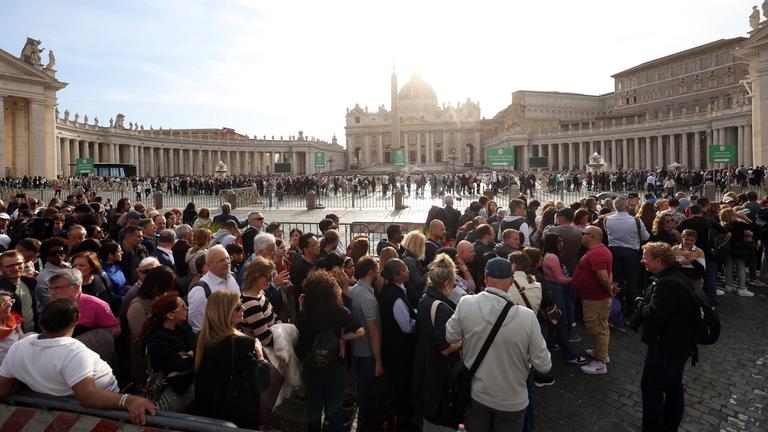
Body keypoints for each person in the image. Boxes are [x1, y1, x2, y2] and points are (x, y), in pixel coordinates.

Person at [0, 299, 156, 425]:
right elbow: (88, 396)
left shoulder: (18, 347)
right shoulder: (73, 352)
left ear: (41, 322)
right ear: (76, 320)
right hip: (97, 418)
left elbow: (3, 388)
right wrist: (128, 400)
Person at [446, 257, 551, 432]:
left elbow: (450, 336)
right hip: (512, 400)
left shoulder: (466, 303)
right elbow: (544, 365)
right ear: (511, 281)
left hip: (478, 394)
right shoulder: (527, 317)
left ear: (485, 278)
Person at [634, 242, 696, 432]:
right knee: (673, 386)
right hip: (680, 344)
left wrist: (639, 303)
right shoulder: (679, 276)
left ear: (659, 261)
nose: (642, 260)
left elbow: (653, 314)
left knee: (652, 389)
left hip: (666, 347)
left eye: (645, 257)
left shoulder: (666, 284)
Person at [296, 270, 364, 432]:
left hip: (311, 368)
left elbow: (300, 334)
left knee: (313, 410)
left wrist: (300, 306)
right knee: (335, 412)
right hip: (336, 367)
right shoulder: (341, 312)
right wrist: (343, 338)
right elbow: (360, 331)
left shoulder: (304, 315)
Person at [194, 290, 270, 429]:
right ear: (225, 313)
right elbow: (262, 381)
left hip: (207, 412)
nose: (243, 308)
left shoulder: (201, 338)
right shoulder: (241, 343)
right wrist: (259, 354)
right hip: (236, 417)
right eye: (238, 306)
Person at [413, 253, 461, 430]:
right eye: (453, 284)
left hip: (424, 363)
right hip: (437, 369)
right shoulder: (441, 307)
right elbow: (444, 348)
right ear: (447, 284)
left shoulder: (425, 298)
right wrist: (463, 341)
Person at [138, 292, 195, 412]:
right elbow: (178, 367)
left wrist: (187, 356)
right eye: (183, 306)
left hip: (183, 386)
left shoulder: (180, 329)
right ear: (170, 315)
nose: (187, 308)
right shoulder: (157, 341)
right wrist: (191, 356)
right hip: (167, 393)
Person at [572, 226, 615, 375]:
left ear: (591, 236)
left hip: (596, 299)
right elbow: (609, 273)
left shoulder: (597, 253)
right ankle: (601, 352)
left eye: (583, 234)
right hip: (594, 297)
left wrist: (608, 290)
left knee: (598, 329)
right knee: (601, 326)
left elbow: (603, 276)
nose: (581, 236)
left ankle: (600, 363)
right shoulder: (599, 251)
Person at [379, 258, 418, 422]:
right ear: (396, 276)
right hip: (398, 350)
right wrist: (420, 321)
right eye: (405, 269)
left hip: (395, 348)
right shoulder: (394, 296)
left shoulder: (394, 290)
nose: (408, 271)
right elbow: (407, 327)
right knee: (401, 383)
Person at [127, 266, 177, 384]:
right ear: (156, 287)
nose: (166, 292)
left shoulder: (160, 298)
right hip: (144, 357)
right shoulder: (137, 306)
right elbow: (139, 336)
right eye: (165, 288)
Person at [541, 234, 586, 365]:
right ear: (553, 243)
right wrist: (575, 279)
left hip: (556, 288)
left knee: (554, 320)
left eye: (562, 241)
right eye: (559, 241)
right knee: (561, 320)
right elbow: (560, 279)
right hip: (556, 289)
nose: (562, 243)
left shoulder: (550, 255)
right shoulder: (552, 257)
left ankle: (550, 343)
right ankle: (569, 353)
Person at [348, 256, 382, 421]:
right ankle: (364, 421)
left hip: (358, 348)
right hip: (367, 351)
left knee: (361, 388)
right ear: (370, 272)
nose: (378, 270)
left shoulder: (354, 289)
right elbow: (373, 331)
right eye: (376, 267)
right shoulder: (367, 297)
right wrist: (379, 361)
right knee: (366, 390)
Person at [604, 195, 649, 316]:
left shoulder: (607, 219)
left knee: (617, 281)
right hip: (631, 252)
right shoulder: (635, 220)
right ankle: (631, 309)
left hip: (614, 251)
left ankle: (617, 307)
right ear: (627, 207)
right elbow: (646, 237)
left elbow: (607, 232)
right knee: (632, 281)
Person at [187, 245, 240, 333]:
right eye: (221, 260)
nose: (227, 262)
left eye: (228, 258)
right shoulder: (200, 291)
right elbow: (198, 327)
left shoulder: (231, 277)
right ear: (209, 265)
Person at [0, 250, 36, 332]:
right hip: (10, 336)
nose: (16, 268)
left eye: (19, 264)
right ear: (1, 269)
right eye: (10, 266)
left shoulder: (31, 283)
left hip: (33, 334)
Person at [35, 237, 70, 315]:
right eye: (53, 253)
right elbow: (50, 303)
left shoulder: (72, 267)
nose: (58, 255)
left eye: (61, 252)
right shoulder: (43, 278)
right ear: (46, 256)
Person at [401, 230, 428, 305]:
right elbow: (417, 282)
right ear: (417, 246)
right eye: (422, 245)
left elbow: (418, 272)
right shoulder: (409, 261)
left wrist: (428, 268)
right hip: (414, 299)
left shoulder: (410, 257)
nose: (424, 247)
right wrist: (429, 273)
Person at [0, 291, 25, 364]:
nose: (10, 305)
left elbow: (23, 341)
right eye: (4, 303)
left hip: (14, 364)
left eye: (11, 301)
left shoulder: (15, 321)